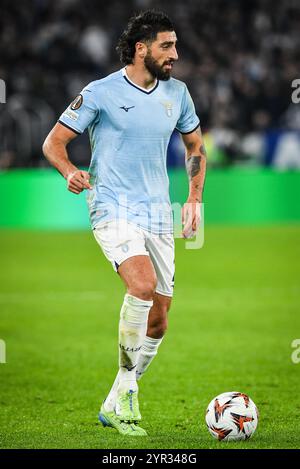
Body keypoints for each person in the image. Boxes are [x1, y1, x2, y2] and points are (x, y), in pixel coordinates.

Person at [43, 10, 206, 437]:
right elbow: (54, 142)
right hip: (111, 206)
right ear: (141, 48)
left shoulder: (179, 94)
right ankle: (129, 396)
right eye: (167, 45)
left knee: (160, 320)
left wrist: (194, 197)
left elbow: (195, 145)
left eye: (175, 45)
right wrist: (69, 171)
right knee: (142, 286)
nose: (175, 53)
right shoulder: (100, 92)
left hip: (158, 212)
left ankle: (116, 398)